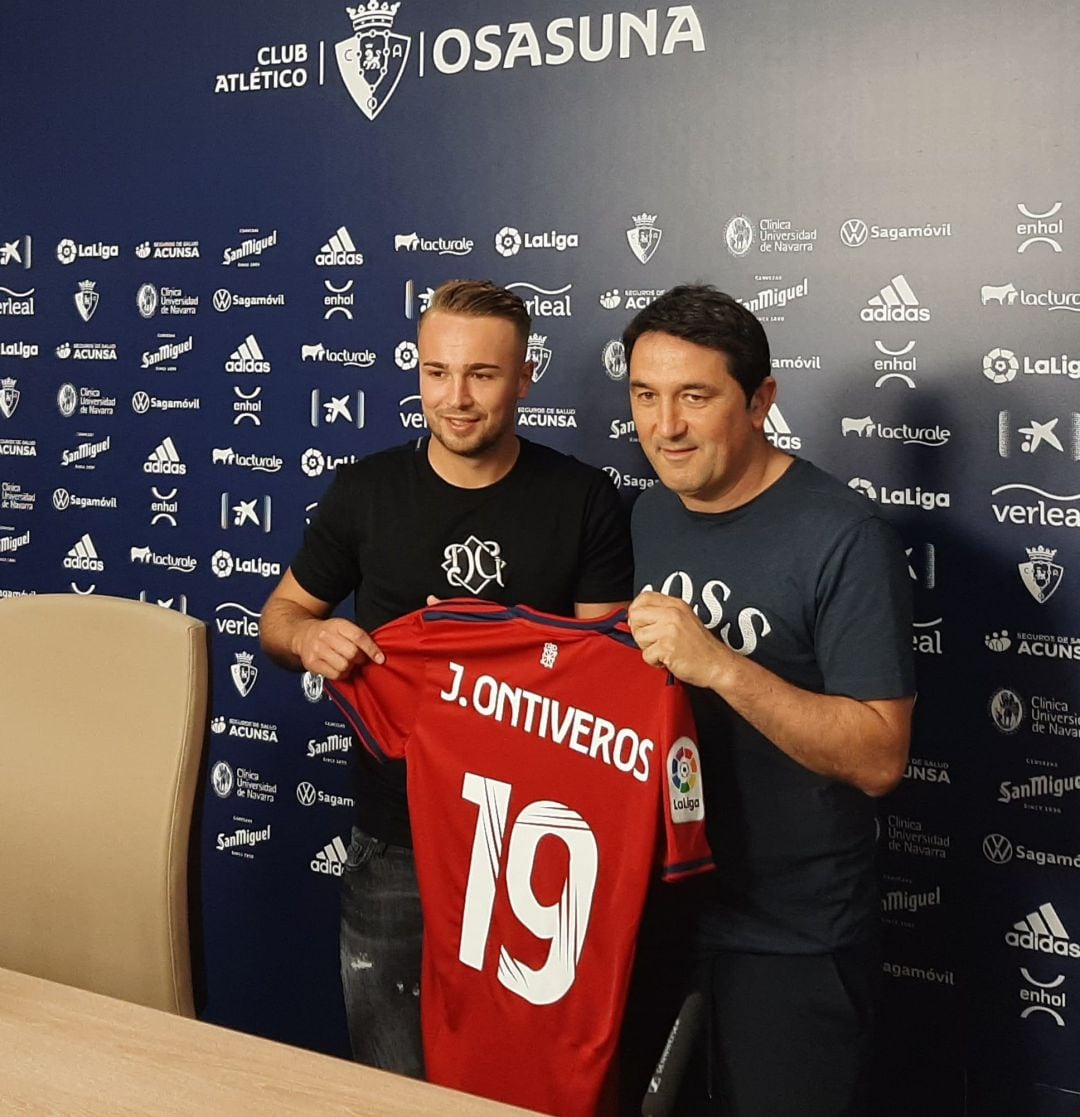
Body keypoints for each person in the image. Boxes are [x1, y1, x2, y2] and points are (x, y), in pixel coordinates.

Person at [259, 278, 632, 1079]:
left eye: (482, 375)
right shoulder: (367, 489)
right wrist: (312, 636)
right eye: (436, 372)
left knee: (523, 1079)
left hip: (537, 844)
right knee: (392, 1080)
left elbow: (608, 672)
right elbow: (279, 617)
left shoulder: (584, 498)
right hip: (395, 840)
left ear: (525, 376)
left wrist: (500, 657)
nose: (455, 397)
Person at [618, 284, 916, 1116]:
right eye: (646, 395)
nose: (665, 425)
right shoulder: (645, 515)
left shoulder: (841, 534)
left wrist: (719, 664)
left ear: (761, 402)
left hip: (795, 935)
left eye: (694, 397)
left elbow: (880, 754)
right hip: (662, 916)